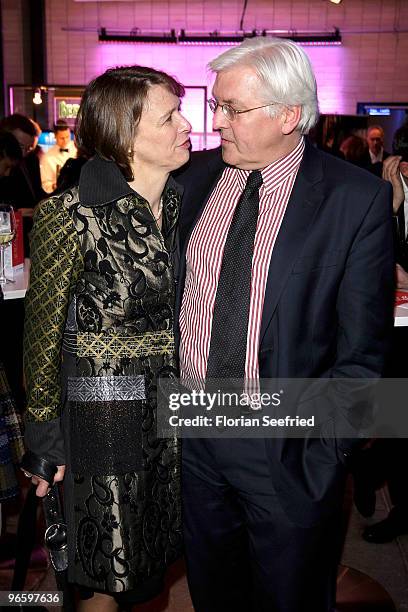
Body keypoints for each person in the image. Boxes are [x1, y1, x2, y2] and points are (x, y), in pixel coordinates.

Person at [175, 37, 394, 612]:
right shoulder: (192, 180)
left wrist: (326, 457)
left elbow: (363, 356)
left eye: (232, 109)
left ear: (288, 116)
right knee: (214, 594)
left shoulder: (355, 200)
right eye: (216, 105)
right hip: (192, 438)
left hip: (286, 445)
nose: (215, 120)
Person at [21, 65, 191, 611]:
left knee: (152, 564)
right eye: (170, 116)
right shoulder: (69, 215)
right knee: (106, 569)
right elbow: (42, 336)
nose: (187, 124)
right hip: (102, 406)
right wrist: (45, 444)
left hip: (171, 406)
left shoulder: (186, 206)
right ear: (125, 132)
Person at [353, 124, 408, 543]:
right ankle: (369, 470)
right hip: (391, 336)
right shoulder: (375, 193)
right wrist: (388, 210)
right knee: (393, 421)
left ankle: (371, 468)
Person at [40, 119, 77, 193]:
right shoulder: (47, 157)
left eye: (67, 136)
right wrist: (54, 186)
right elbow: (45, 183)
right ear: (55, 136)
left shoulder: (77, 149)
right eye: (62, 138)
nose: (65, 140)